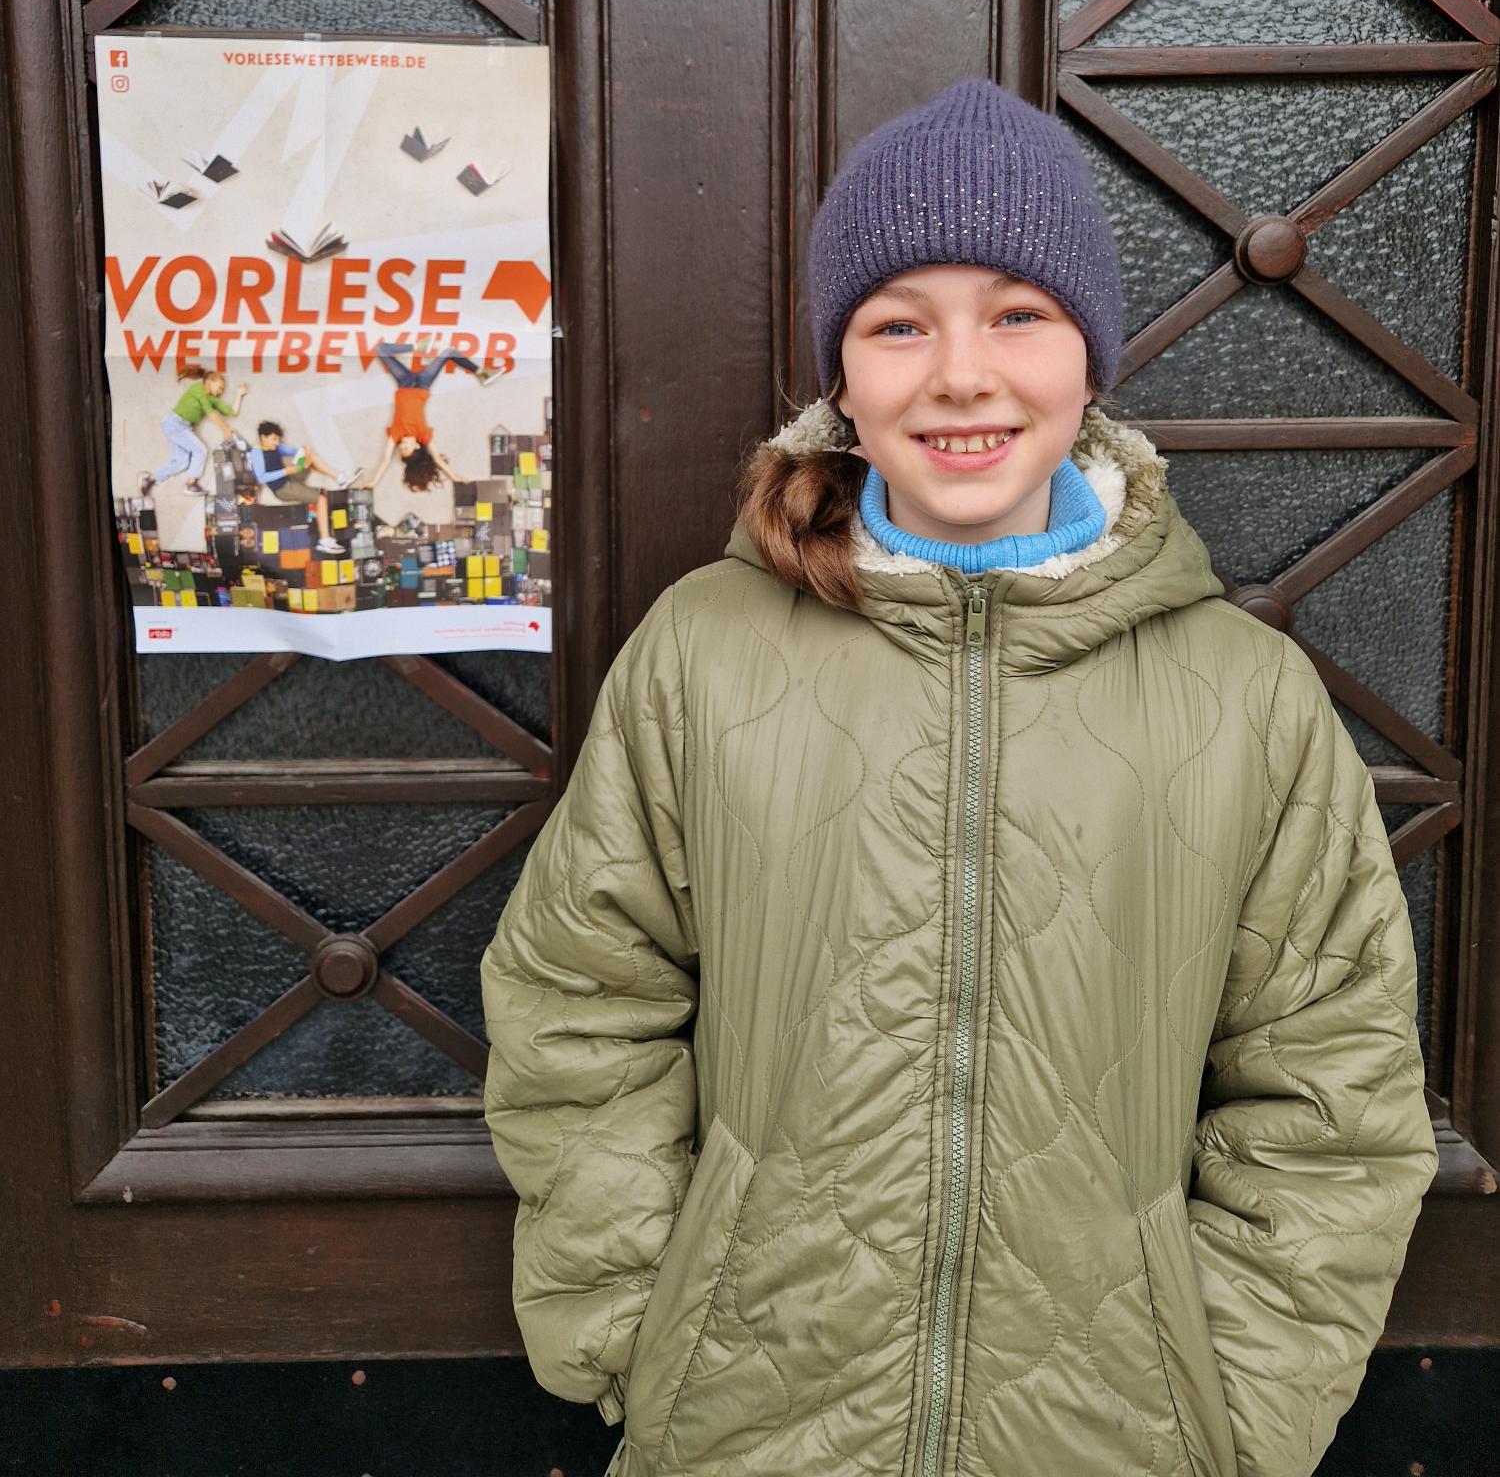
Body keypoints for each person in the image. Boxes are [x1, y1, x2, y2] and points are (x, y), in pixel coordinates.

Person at [479, 79, 1436, 1477]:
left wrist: (1236, 1408)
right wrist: (642, 1330)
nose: (962, 375)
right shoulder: (705, 654)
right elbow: (582, 999)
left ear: (1091, 358)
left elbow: (1329, 1090)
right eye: (899, 323)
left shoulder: (1245, 699)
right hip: (746, 1429)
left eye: (1019, 314)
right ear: (842, 377)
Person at [365, 338, 495, 493]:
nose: (402, 445)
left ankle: (418, 346)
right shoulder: (424, 435)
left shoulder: (395, 434)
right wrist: (453, 476)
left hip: (404, 383)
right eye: (406, 447)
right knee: (449, 352)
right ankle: (482, 373)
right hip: (422, 384)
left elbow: (385, 460)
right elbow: (437, 459)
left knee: (380, 349)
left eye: (401, 448)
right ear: (416, 446)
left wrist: (374, 481)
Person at [249, 421, 360, 556]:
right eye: (274, 439)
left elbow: (294, 451)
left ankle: (340, 478)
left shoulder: (276, 446)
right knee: (321, 499)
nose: (277, 442)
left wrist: (304, 450)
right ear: (263, 437)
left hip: (291, 476)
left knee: (309, 456)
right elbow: (261, 478)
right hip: (283, 488)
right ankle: (324, 541)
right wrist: (287, 471)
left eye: (278, 439)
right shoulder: (256, 452)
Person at [140, 366, 248, 497]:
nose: (220, 391)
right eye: (219, 387)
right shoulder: (198, 388)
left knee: (181, 462)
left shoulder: (212, 399)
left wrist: (239, 395)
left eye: (222, 390)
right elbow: (211, 413)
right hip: (174, 423)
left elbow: (231, 412)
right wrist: (225, 429)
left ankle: (150, 479)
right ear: (209, 381)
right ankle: (191, 484)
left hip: (182, 427)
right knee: (200, 450)